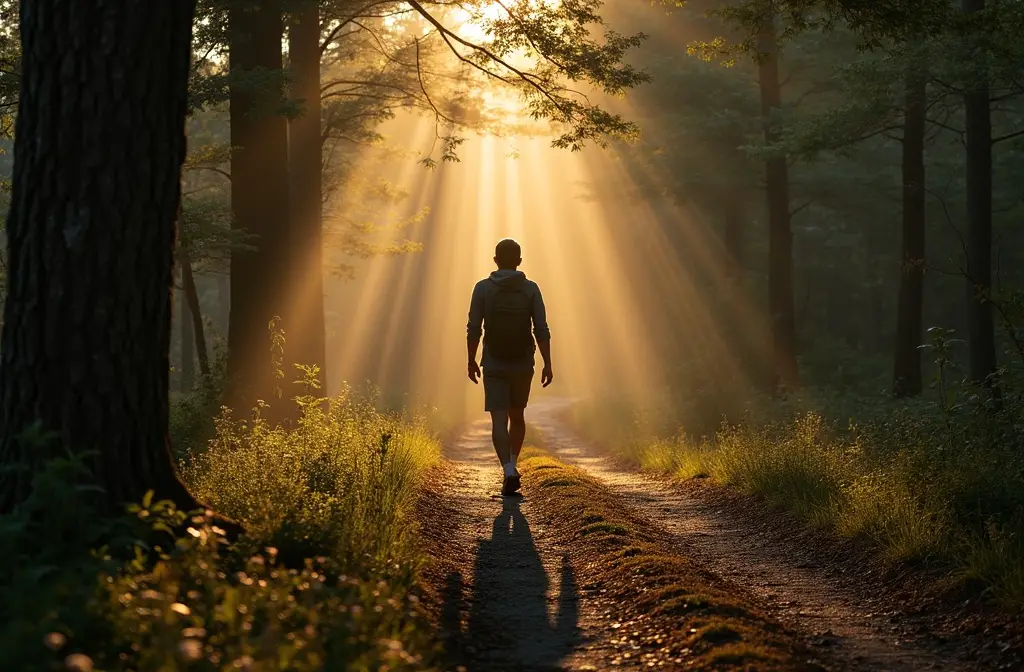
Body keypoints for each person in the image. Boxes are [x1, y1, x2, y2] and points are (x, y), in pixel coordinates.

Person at [467, 238, 553, 495]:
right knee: (518, 416)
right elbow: (541, 329)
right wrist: (548, 363)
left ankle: (507, 470)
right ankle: (513, 464)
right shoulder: (530, 289)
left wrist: (471, 360)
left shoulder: (482, 289)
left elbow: (474, 328)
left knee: (498, 419)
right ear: (519, 261)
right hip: (523, 362)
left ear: (495, 260)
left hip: (493, 361)